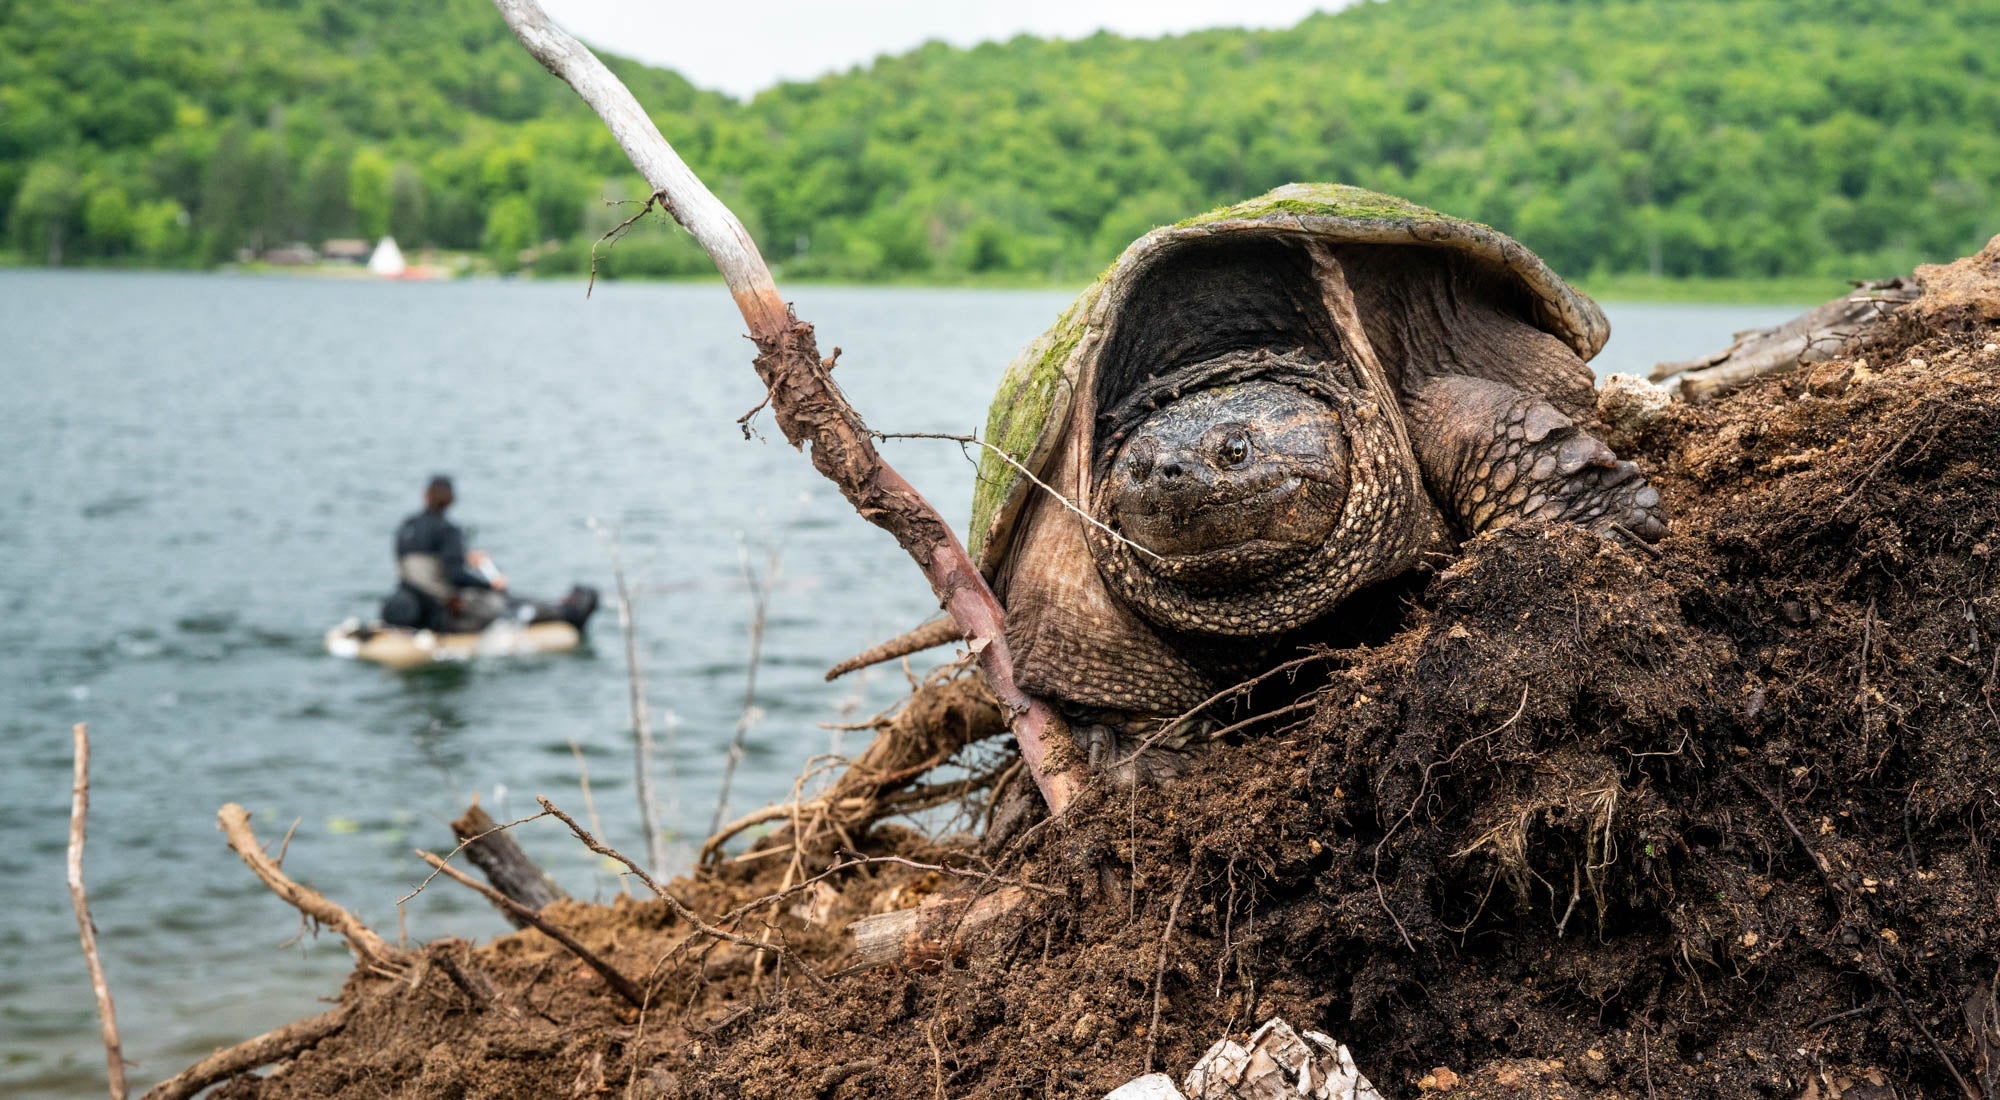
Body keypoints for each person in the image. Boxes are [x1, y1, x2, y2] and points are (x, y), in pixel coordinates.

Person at [380, 475, 509, 633]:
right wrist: (491, 585)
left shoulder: (408, 526)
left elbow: (422, 566)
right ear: (451, 500)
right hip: (434, 611)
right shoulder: (448, 530)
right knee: (496, 602)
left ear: (425, 495)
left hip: (406, 596)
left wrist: (464, 558)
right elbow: (456, 575)